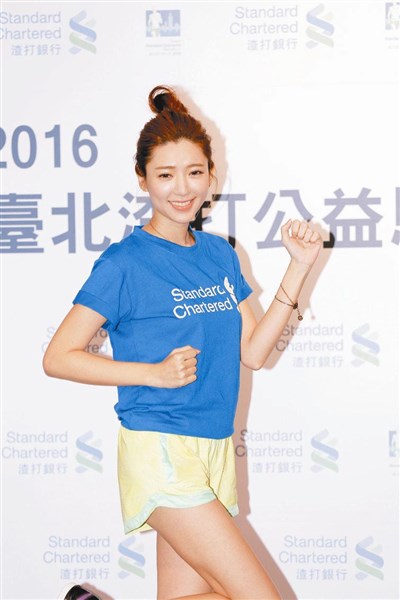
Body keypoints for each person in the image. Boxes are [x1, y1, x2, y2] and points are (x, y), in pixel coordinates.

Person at [44, 85, 322, 600]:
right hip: (161, 448)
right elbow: (58, 357)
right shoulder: (125, 263)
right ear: (142, 179)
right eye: (165, 174)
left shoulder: (219, 254)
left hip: (214, 446)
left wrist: (299, 267)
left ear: (212, 176)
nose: (182, 188)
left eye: (194, 172)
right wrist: (151, 373)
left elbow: (253, 353)